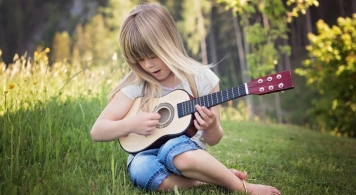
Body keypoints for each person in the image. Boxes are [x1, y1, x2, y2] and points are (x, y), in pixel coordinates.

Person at [90, 3, 281, 195]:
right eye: (139, 59)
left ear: (169, 43)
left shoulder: (202, 78)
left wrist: (211, 127)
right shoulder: (137, 85)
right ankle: (207, 180)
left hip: (185, 151)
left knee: (176, 151)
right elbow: (97, 131)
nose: (148, 65)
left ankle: (242, 188)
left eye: (153, 55)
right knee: (140, 170)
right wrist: (131, 124)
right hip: (145, 152)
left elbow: (214, 140)